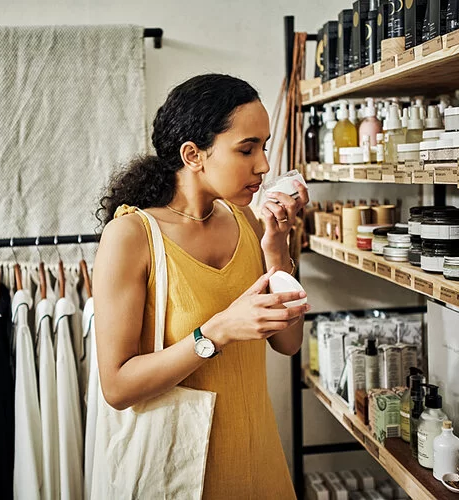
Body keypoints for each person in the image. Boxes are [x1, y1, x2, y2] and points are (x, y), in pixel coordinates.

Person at [93, 73, 309, 498]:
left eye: (263, 146)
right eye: (246, 149)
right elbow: (117, 387)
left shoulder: (246, 220)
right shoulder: (132, 236)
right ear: (193, 154)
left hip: (260, 462)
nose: (263, 165)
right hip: (182, 477)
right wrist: (218, 331)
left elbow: (288, 343)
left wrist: (277, 248)